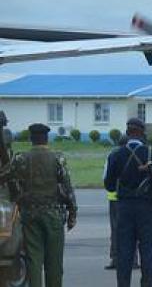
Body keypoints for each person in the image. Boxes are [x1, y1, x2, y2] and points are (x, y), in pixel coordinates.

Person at [3, 123, 76, 287]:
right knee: (54, 263)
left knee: (33, 261)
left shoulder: (21, 159)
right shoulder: (57, 158)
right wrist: (72, 213)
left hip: (30, 215)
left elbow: (5, 175)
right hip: (53, 215)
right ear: (46, 138)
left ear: (31, 139)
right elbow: (67, 188)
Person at [104, 117, 152, 287]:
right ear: (142, 133)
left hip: (124, 208)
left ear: (127, 133)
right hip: (148, 208)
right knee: (149, 254)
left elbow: (109, 185)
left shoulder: (116, 155)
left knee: (124, 254)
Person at [104, 135, 139, 271]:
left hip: (114, 198)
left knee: (115, 230)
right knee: (132, 229)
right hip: (132, 198)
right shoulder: (137, 155)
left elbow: (106, 177)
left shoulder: (113, 156)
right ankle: (133, 260)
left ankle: (115, 259)